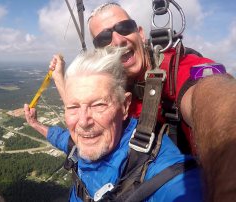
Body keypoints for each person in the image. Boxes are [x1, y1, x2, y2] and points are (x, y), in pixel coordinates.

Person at [49, 2, 234, 155]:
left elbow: (212, 97)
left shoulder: (175, 67)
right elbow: (84, 119)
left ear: (141, 33)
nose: (118, 40)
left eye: (124, 28)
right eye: (104, 38)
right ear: (99, 52)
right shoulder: (109, 87)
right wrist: (59, 79)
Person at [24, 47, 203, 202]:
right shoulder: (80, 143)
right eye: (73, 107)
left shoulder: (157, 168)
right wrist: (35, 123)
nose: (83, 122)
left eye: (99, 104)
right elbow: (61, 138)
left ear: (125, 106)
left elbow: (179, 185)